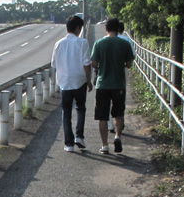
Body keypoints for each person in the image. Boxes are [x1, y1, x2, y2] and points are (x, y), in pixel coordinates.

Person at [89, 16, 135, 154]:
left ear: (106, 28)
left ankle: (105, 145)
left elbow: (94, 63)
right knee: (118, 113)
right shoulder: (124, 44)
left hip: (102, 84)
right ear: (119, 29)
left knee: (102, 116)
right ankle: (117, 136)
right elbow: (129, 64)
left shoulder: (99, 43)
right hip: (119, 83)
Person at [51, 14, 92, 152]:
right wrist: (89, 80)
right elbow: (86, 63)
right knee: (80, 108)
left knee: (66, 112)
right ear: (78, 28)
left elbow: (53, 64)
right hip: (79, 80)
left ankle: (69, 144)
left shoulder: (58, 43)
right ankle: (79, 136)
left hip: (64, 82)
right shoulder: (83, 43)